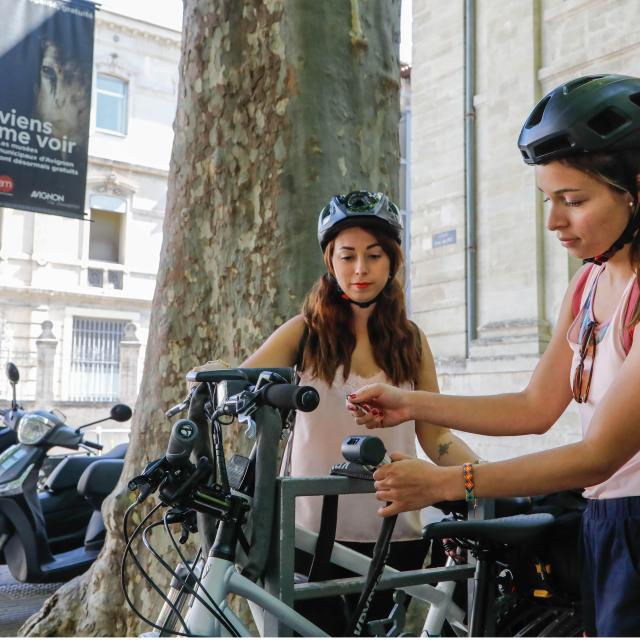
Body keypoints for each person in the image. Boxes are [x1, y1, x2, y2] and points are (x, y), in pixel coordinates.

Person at [347, 75, 640, 638]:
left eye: (573, 201)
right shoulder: (587, 286)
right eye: (548, 200)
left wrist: (447, 482)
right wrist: (411, 403)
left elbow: (601, 454)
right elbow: (534, 407)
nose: (553, 221)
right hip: (603, 524)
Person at [237, 190, 479, 634]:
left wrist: (489, 480)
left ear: (393, 262)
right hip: (310, 532)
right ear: (330, 262)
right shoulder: (304, 334)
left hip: (395, 530)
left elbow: (437, 438)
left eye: (374, 255)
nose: (360, 270)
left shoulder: (411, 340)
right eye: (347, 256)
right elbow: (237, 384)